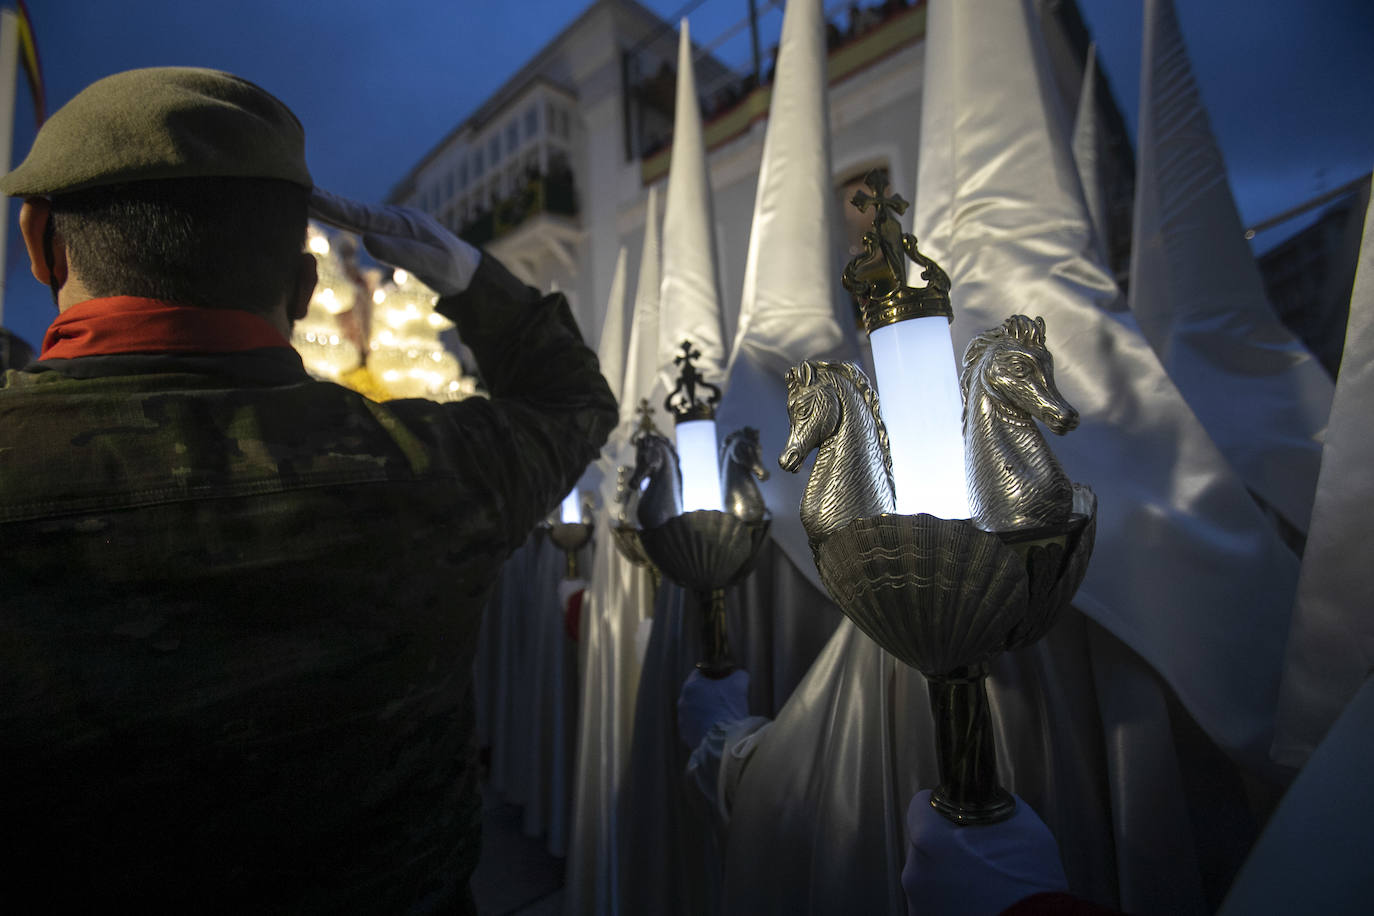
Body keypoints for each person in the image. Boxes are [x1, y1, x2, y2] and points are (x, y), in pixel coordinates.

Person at [0, 67, 616, 912]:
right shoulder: (430, 466)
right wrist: (465, 273)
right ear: (302, 289)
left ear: (39, 243)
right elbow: (573, 400)